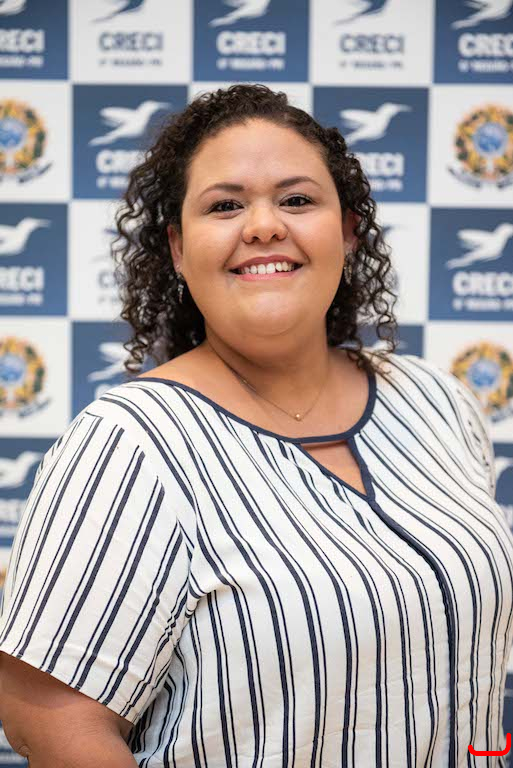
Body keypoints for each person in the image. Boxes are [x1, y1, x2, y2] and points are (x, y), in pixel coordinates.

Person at [0, 83, 512, 768]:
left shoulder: (437, 401)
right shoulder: (128, 442)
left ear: (348, 231)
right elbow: (52, 722)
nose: (264, 226)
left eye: (296, 200)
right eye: (225, 206)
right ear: (178, 249)